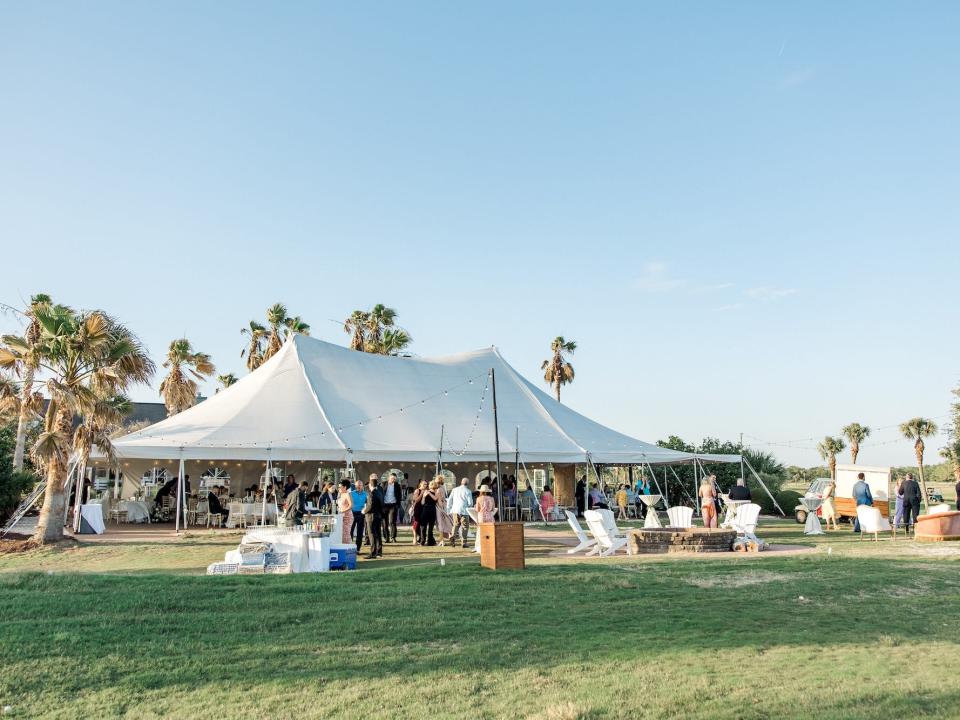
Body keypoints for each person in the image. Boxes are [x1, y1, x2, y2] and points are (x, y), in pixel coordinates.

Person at [447, 478, 474, 548]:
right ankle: (464, 542)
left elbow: (449, 500)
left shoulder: (454, 490)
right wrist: (470, 505)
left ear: (461, 482)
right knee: (465, 527)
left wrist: (449, 509)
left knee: (456, 525)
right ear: (467, 483)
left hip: (455, 510)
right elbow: (470, 503)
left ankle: (452, 536)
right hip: (464, 511)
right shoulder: (468, 491)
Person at [362, 473, 384, 558]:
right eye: (373, 478)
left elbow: (371, 504)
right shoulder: (369, 489)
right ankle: (378, 552)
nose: (374, 479)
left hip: (371, 514)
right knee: (377, 533)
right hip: (377, 514)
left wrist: (364, 511)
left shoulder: (373, 490)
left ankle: (374, 552)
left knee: (372, 533)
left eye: (375, 478)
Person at [382, 473, 402, 543]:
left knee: (392, 522)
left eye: (394, 479)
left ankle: (393, 537)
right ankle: (386, 538)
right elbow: (380, 494)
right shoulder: (383, 484)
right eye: (392, 478)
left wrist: (398, 505)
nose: (393, 480)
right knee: (385, 522)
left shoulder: (397, 485)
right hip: (385, 505)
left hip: (393, 505)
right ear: (388, 478)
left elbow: (399, 495)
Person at [419, 480, 439, 546]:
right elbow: (422, 503)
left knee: (431, 527)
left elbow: (435, 499)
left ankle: (430, 541)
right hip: (425, 509)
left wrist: (429, 493)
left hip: (432, 509)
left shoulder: (436, 492)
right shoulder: (425, 492)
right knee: (423, 526)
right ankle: (422, 541)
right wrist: (424, 496)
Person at [434, 475, 453, 546]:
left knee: (440, 524)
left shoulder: (439, 489)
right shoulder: (442, 488)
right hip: (444, 505)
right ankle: (450, 536)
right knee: (446, 522)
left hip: (439, 507)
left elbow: (438, 499)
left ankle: (442, 541)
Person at [350, 479, 368, 550]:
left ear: (362, 486)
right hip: (352, 513)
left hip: (361, 514)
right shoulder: (351, 493)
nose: (358, 487)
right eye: (357, 485)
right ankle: (350, 546)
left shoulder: (366, 494)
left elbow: (367, 504)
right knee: (350, 531)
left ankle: (358, 548)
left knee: (359, 532)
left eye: (360, 485)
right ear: (355, 486)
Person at [409, 479, 427, 544]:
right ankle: (414, 538)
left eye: (426, 484)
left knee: (422, 525)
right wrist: (421, 494)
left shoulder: (426, 491)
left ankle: (421, 538)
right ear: (420, 484)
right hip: (417, 509)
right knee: (415, 524)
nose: (425, 485)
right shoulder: (417, 490)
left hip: (424, 509)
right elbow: (415, 500)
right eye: (424, 484)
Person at [336, 480, 353, 544]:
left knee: (346, 534)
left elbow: (351, 505)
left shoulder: (348, 494)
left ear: (345, 487)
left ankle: (348, 548)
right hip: (340, 516)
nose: (339, 488)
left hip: (347, 516)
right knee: (341, 534)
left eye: (340, 487)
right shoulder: (340, 494)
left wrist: (343, 511)